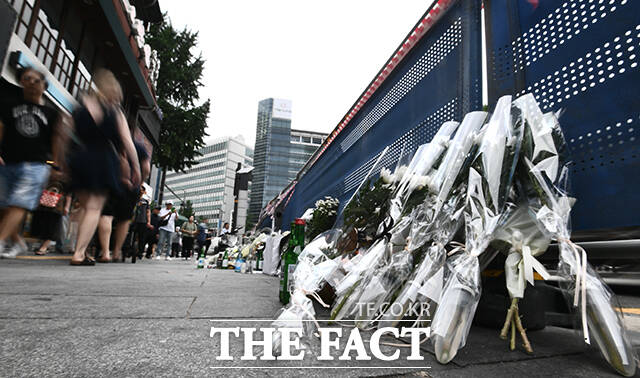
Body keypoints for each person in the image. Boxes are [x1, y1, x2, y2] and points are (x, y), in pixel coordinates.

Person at [67, 69, 140, 266]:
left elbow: (64, 131)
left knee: (84, 207)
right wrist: (136, 167)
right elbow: (126, 141)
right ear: (114, 92)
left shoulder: (82, 106)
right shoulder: (115, 112)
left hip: (80, 156)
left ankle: (77, 249)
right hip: (102, 158)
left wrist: (61, 159)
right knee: (94, 208)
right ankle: (79, 253)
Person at [0, 67, 62, 258]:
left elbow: (56, 140)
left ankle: (1, 240)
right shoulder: (9, 105)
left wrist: (56, 165)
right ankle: (18, 242)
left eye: (36, 80)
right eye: (27, 79)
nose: (31, 83)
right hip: (7, 162)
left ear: (44, 85)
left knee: (19, 203)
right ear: (21, 82)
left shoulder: (51, 113)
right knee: (5, 206)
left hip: (36, 165)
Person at [31, 179, 72, 255]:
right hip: (45, 203)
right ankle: (44, 246)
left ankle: (44, 247)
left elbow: (68, 194)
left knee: (53, 226)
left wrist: (67, 207)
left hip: (56, 205)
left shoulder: (64, 176)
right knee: (45, 224)